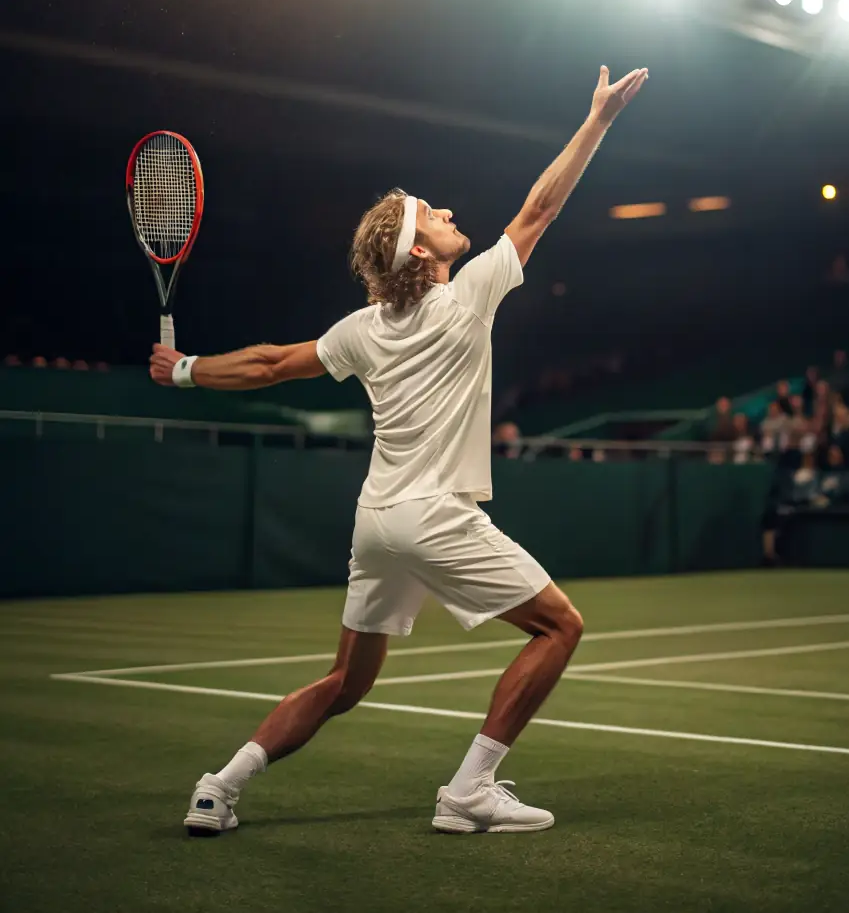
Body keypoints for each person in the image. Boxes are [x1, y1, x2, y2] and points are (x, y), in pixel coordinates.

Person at [148, 64, 648, 837]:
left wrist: (184, 369)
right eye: (430, 212)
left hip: (376, 521)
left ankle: (219, 785)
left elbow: (270, 363)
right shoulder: (468, 294)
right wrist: (599, 120)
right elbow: (541, 207)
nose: (446, 211)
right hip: (434, 514)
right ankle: (470, 788)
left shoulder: (363, 328)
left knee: (347, 682)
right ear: (419, 251)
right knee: (561, 626)